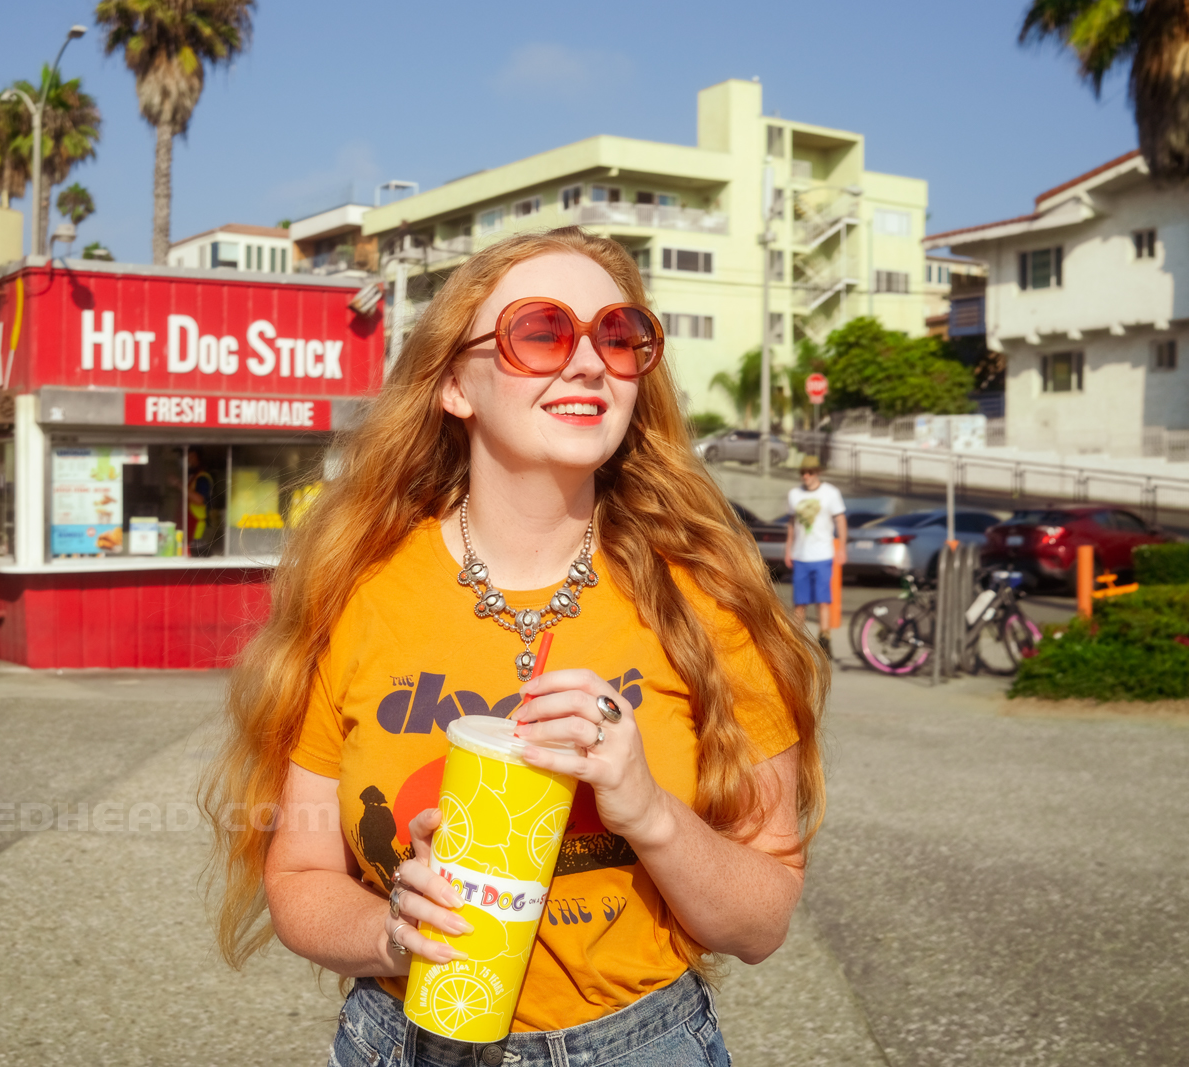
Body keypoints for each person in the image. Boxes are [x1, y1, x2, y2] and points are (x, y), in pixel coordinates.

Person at [205, 227, 827, 1066]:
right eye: (541, 332)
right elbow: (301, 879)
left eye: (618, 335)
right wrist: (393, 930)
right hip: (405, 1040)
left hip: (642, 1046)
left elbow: (761, 921)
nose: (588, 362)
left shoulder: (709, 600)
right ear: (455, 383)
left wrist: (646, 808)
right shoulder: (361, 592)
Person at [783, 456, 846, 658]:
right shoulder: (794, 494)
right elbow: (792, 523)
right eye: (803, 473)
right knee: (799, 602)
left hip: (822, 554)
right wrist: (788, 549)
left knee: (823, 600)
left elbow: (840, 520)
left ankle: (824, 640)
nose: (806, 476)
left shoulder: (830, 493)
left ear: (817, 472)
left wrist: (842, 547)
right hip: (801, 554)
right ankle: (794, 643)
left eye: (809, 472)